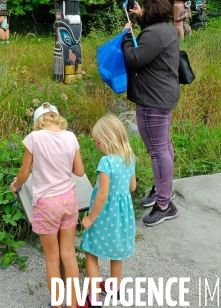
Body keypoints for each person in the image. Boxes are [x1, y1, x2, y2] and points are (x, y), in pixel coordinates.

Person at [10, 102, 85, 308]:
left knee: (52, 258)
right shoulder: (70, 136)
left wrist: (16, 185)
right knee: (68, 255)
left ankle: (58, 304)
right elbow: (79, 171)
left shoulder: (34, 138)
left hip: (47, 203)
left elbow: (25, 173)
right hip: (69, 199)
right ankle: (74, 303)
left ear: (38, 121)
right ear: (56, 117)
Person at [122, 0, 180, 226]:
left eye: (144, 8)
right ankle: (163, 190)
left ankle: (164, 204)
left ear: (152, 10)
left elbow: (134, 58)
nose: (141, 10)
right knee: (164, 145)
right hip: (163, 94)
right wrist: (138, 16)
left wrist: (127, 36)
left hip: (152, 99)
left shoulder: (155, 34)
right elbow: (149, 39)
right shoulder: (166, 28)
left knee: (158, 151)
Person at [80, 113, 136, 307]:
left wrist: (90, 218)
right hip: (122, 217)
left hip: (103, 216)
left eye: (97, 143)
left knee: (90, 252)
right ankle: (115, 289)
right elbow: (132, 187)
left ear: (108, 139)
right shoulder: (129, 158)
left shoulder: (106, 162)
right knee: (116, 254)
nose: (97, 147)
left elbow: (103, 194)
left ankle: (93, 298)